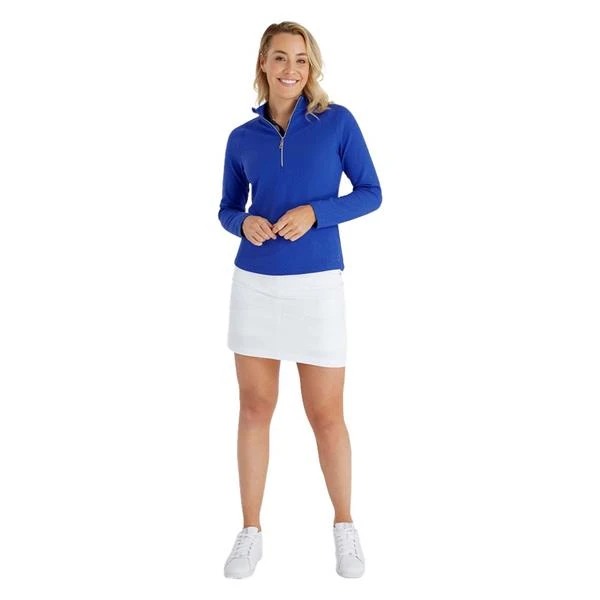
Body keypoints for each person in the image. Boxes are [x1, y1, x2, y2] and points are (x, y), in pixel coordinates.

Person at [218, 21, 382, 579]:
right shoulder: (242, 137)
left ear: (311, 68)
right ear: (263, 63)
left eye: (302, 59)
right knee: (254, 408)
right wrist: (243, 223)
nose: (292, 69)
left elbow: (371, 192)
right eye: (281, 57)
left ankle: (345, 526)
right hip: (255, 285)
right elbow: (226, 208)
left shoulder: (337, 122)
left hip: (317, 287)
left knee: (326, 414)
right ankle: (250, 531)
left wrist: (317, 212)